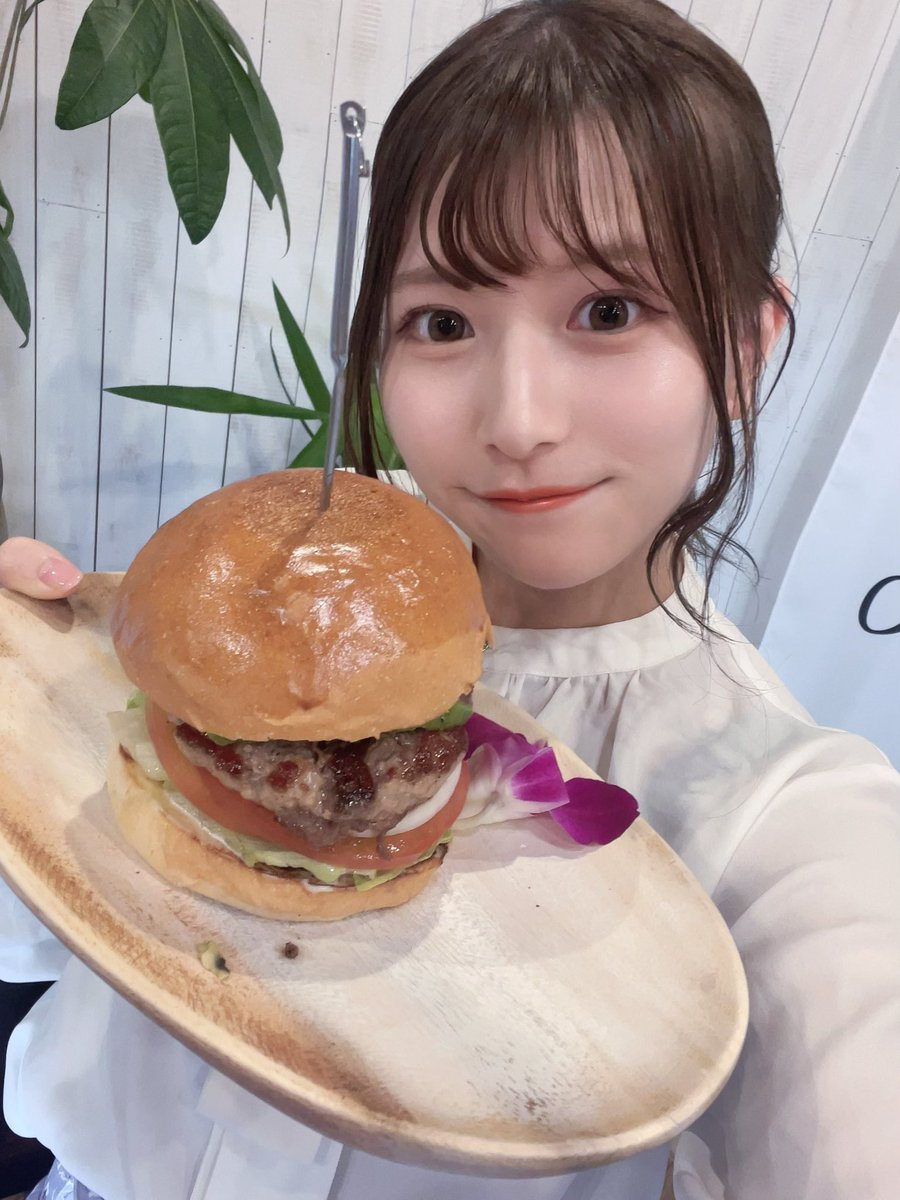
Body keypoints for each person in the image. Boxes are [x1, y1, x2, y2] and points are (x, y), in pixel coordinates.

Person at [1, 1, 898, 1197]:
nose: (517, 420)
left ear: (743, 347)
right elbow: (43, 919)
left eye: (609, 311)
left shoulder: (787, 812)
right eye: (441, 321)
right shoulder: (241, 609)